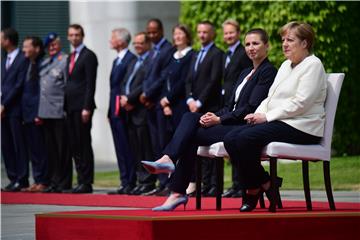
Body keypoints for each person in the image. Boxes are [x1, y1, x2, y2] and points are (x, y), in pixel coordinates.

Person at [142, 28, 277, 211]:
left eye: (256, 43)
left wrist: (219, 119)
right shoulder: (245, 71)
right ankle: (172, 175)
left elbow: (249, 108)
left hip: (244, 125)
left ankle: (176, 189)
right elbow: (230, 105)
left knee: (191, 135)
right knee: (190, 118)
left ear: (266, 46)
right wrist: (213, 115)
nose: (251, 48)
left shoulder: (268, 71)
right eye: (247, 44)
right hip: (230, 120)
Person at [223, 21, 327, 212]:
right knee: (230, 138)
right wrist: (258, 114)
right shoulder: (286, 65)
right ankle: (264, 183)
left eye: (290, 40)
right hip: (282, 121)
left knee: (246, 138)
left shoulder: (313, 64)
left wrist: (267, 117)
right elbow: (271, 97)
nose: (284, 44)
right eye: (283, 40)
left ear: (305, 43)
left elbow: (301, 103)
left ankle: (253, 190)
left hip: (303, 126)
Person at [155, 24, 195, 196]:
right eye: (175, 34)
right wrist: (165, 103)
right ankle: (172, 182)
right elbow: (166, 79)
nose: (178, 37)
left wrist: (169, 99)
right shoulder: (172, 55)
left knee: (184, 144)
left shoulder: (191, 55)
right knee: (171, 143)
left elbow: (183, 82)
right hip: (168, 107)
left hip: (181, 105)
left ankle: (191, 181)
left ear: (187, 36)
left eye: (181, 34)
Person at [185, 20, 224, 197]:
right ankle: (204, 184)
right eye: (199, 32)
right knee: (199, 146)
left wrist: (199, 102)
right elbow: (188, 80)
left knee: (212, 146)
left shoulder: (217, 54)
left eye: (205, 32)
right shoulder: (195, 54)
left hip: (209, 106)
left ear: (212, 34)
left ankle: (215, 184)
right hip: (194, 106)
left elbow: (214, 80)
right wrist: (190, 99)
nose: (202, 35)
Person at [139, 18, 175, 195]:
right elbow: (147, 76)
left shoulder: (168, 49)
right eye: (149, 32)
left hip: (160, 103)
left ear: (161, 31)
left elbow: (163, 77)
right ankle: (161, 183)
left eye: (154, 32)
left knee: (163, 144)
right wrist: (145, 94)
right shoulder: (153, 50)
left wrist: (149, 94)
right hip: (150, 105)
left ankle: (168, 183)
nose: (151, 35)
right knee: (155, 145)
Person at [65, 24, 98, 193]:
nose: (74, 37)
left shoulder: (89, 56)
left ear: (82, 36)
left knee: (83, 143)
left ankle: (86, 182)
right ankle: (80, 180)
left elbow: (90, 84)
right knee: (75, 145)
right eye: (71, 35)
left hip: (82, 108)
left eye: (77, 34)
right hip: (70, 107)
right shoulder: (70, 56)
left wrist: (87, 107)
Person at [221, 19, 252, 198]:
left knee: (236, 144)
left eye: (231, 32)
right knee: (231, 148)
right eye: (225, 33)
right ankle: (235, 184)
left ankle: (241, 185)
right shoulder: (228, 53)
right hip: (228, 103)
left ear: (238, 33)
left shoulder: (243, 52)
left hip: (239, 106)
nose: (228, 36)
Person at [119, 32, 154, 195]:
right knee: (136, 149)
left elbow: (144, 85)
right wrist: (124, 99)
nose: (137, 46)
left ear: (147, 44)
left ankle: (148, 181)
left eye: (140, 43)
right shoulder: (134, 61)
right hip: (129, 111)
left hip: (140, 110)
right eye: (135, 43)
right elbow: (126, 82)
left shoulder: (150, 61)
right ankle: (141, 180)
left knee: (145, 148)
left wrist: (130, 99)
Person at [39, 32, 72, 193]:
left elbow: (67, 86)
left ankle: (64, 182)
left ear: (59, 45)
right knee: (50, 149)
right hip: (46, 112)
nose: (51, 47)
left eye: (54, 44)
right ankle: (54, 180)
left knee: (62, 149)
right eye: (49, 45)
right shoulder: (45, 63)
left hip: (59, 111)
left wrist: (66, 108)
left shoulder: (64, 60)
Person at [106, 28, 137, 195]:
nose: (110, 40)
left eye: (113, 37)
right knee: (119, 146)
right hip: (114, 109)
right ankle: (124, 180)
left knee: (127, 146)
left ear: (121, 41)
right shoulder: (116, 60)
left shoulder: (131, 59)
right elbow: (113, 88)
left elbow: (125, 85)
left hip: (124, 109)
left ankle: (130, 181)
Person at [1, 28, 29, 191]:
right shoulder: (4, 59)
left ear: (8, 40)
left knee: (19, 144)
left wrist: (5, 104)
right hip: (3, 110)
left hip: (15, 109)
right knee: (7, 144)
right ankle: (13, 177)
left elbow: (19, 85)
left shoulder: (22, 59)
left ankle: (22, 178)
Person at [20, 36, 49, 192]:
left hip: (38, 113)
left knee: (40, 149)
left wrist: (40, 112)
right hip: (26, 113)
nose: (24, 49)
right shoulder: (27, 64)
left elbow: (41, 91)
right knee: (33, 149)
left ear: (37, 49)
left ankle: (44, 180)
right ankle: (37, 180)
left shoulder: (42, 65)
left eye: (27, 46)